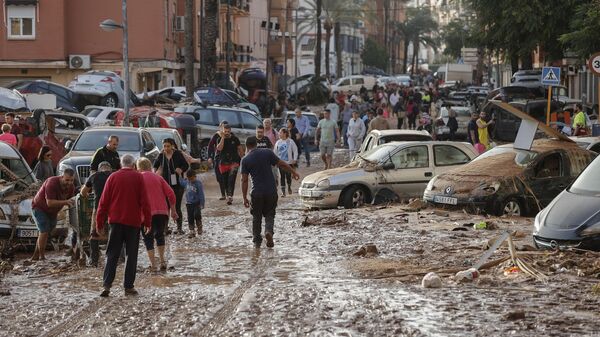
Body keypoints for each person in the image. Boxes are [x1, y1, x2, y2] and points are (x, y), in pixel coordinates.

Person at [96, 154, 151, 297]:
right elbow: (145, 201)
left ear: (121, 164)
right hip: (133, 223)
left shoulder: (113, 177)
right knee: (131, 255)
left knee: (112, 254)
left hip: (115, 222)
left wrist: (99, 222)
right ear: (133, 165)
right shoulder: (139, 177)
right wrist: (148, 222)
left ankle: (107, 286)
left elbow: (103, 202)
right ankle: (128, 287)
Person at [241, 136, 300, 248]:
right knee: (270, 214)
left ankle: (257, 242)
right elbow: (281, 164)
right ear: (257, 143)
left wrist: (244, 197)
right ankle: (268, 231)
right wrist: (293, 172)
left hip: (256, 192)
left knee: (256, 216)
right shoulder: (267, 152)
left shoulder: (245, 159)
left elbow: (244, 180)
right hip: (271, 191)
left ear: (247, 146)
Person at [137, 157, 177, 271]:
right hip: (162, 213)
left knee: (147, 238)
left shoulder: (138, 178)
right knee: (160, 236)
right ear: (150, 167)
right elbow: (171, 194)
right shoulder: (158, 178)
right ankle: (163, 261)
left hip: (145, 214)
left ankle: (153, 265)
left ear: (138, 168)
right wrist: (173, 210)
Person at [31, 170, 76, 260]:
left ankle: (35, 256)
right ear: (61, 177)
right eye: (67, 180)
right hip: (39, 207)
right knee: (44, 231)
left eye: (71, 180)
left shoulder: (71, 186)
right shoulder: (51, 182)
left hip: (53, 211)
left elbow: (72, 200)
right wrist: (66, 202)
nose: (69, 183)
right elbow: (50, 203)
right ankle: (42, 257)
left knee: (47, 232)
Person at [80, 161, 113, 267]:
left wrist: (88, 194)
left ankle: (94, 260)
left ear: (99, 169)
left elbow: (83, 192)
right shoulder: (114, 175)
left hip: (99, 208)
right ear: (110, 169)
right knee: (114, 233)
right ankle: (117, 259)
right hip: (114, 208)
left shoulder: (94, 176)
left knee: (94, 234)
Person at [153, 138, 189, 234]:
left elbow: (186, 165)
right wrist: (156, 172)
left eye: (168, 146)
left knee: (177, 206)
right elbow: (154, 165)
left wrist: (181, 169)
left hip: (177, 184)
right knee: (165, 207)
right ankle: (165, 228)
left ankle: (179, 227)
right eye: (164, 146)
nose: (166, 148)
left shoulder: (178, 154)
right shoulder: (161, 155)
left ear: (172, 146)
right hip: (165, 184)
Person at [216, 124, 244, 205]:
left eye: (228, 131)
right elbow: (219, 148)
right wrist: (223, 138)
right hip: (223, 163)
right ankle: (228, 195)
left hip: (234, 162)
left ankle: (230, 196)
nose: (227, 133)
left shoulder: (235, 139)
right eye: (225, 131)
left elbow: (240, 149)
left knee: (231, 179)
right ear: (223, 131)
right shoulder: (219, 139)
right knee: (225, 181)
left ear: (230, 131)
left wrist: (244, 159)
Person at [274, 128, 298, 197]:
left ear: (285, 133)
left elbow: (295, 150)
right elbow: (275, 152)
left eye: (280, 133)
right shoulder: (278, 142)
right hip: (280, 163)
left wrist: (295, 159)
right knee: (281, 177)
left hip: (289, 163)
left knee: (288, 176)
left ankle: (289, 187)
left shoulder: (290, 141)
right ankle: (283, 192)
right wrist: (275, 161)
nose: (279, 134)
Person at [181, 170, 205, 238]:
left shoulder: (198, 183)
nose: (190, 180)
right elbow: (182, 182)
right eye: (189, 179)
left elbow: (201, 194)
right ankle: (192, 230)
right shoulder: (187, 182)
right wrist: (180, 175)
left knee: (197, 215)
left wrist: (202, 203)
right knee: (190, 217)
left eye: (192, 179)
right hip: (188, 203)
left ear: (195, 176)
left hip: (197, 203)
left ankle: (199, 227)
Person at [208, 121, 228, 200]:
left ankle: (227, 194)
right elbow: (210, 146)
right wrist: (209, 157)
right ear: (220, 127)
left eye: (225, 127)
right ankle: (223, 194)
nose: (224, 129)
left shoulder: (230, 136)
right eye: (222, 127)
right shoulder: (216, 135)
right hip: (218, 158)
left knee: (227, 177)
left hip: (227, 159)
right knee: (219, 177)